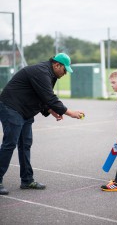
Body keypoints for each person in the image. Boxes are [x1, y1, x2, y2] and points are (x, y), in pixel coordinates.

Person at [0, 53, 85, 195]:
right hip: (11, 107)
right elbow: (49, 97)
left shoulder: (50, 74)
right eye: (65, 70)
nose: (65, 74)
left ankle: (27, 180)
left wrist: (50, 110)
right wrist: (70, 113)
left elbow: (41, 96)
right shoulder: (41, 72)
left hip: (24, 110)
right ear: (57, 65)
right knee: (10, 143)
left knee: (25, 144)